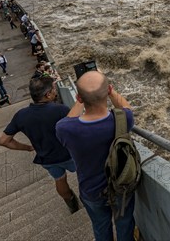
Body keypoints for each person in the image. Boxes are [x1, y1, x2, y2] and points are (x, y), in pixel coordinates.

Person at [56, 71, 135, 241]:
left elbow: (70, 119)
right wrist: (111, 92)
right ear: (108, 91)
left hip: (91, 191)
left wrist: (81, 100)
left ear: (79, 98)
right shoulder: (123, 119)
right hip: (120, 186)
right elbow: (126, 107)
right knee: (124, 223)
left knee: (100, 226)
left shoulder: (65, 129)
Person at [0, 76, 80, 214]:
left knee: (60, 180)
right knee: (84, 174)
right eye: (54, 89)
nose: (55, 91)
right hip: (68, 155)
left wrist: (28, 147)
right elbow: (77, 129)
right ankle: (92, 198)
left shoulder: (21, 115)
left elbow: (4, 141)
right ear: (48, 94)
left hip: (47, 158)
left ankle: (72, 204)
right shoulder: (60, 110)